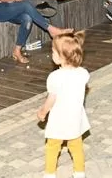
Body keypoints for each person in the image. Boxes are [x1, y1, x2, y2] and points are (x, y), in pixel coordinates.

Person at [37, 31, 90, 178]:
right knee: (76, 146)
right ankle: (79, 173)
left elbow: (51, 99)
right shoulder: (83, 73)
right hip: (75, 118)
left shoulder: (55, 77)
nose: (52, 54)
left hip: (59, 120)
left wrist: (43, 111)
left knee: (52, 147)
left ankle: (50, 174)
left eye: (53, 51)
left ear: (62, 56)